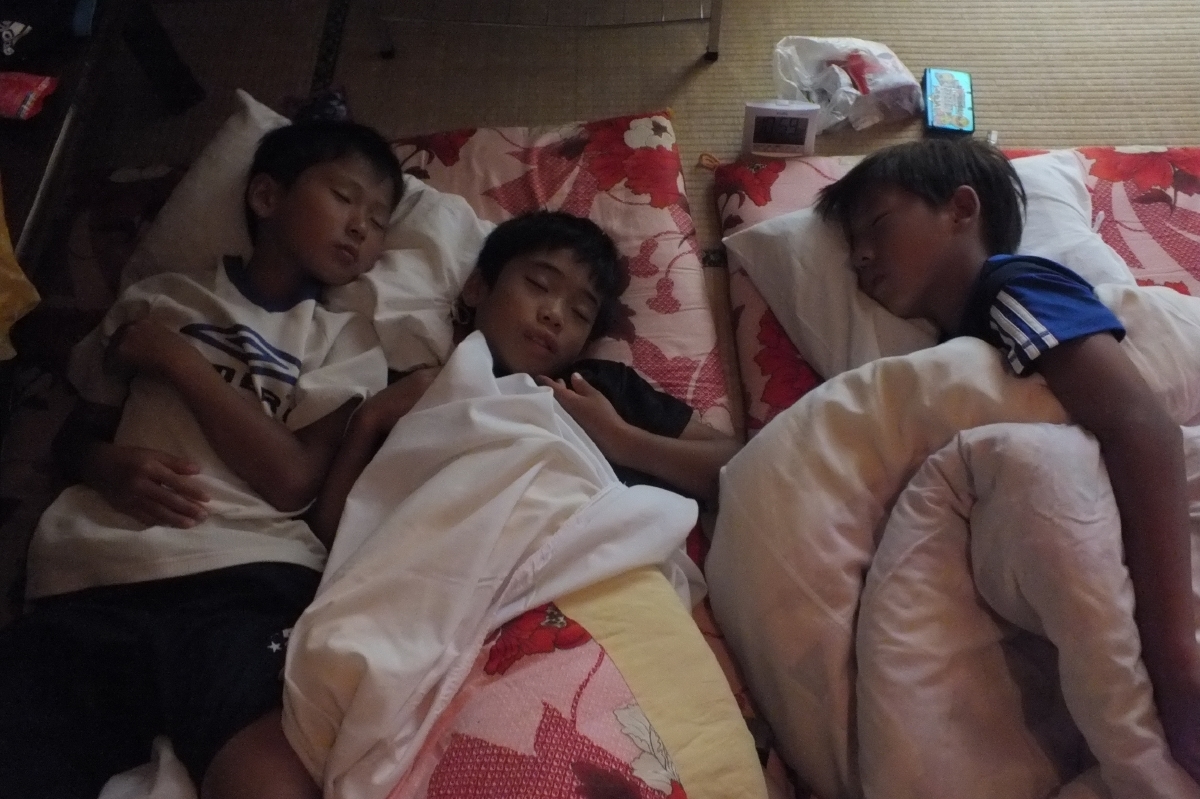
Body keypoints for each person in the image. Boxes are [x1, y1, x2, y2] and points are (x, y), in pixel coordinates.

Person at [0, 119, 403, 799]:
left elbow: (293, 480)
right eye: (344, 196)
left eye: (381, 219)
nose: (362, 226)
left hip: (244, 577)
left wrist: (180, 363)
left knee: (269, 774)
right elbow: (74, 435)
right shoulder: (162, 298)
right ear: (266, 197)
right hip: (97, 573)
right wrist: (104, 466)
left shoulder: (346, 339)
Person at [813, 136, 1200, 784]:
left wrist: (1175, 662)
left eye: (877, 224)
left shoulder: (1011, 288)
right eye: (852, 243)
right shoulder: (950, 353)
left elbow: (1141, 427)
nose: (860, 255)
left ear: (961, 209)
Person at [307, 209, 740, 544]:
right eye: (538, 285)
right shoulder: (419, 389)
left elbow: (736, 467)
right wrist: (371, 420)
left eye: (580, 312)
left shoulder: (597, 390)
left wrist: (620, 439)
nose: (554, 314)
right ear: (478, 287)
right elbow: (334, 533)